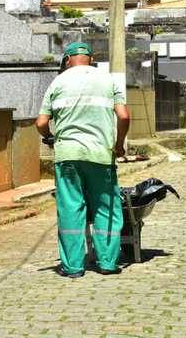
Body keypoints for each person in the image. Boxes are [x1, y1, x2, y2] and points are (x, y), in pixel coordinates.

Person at [36, 42, 130, 278]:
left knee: (70, 209)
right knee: (106, 207)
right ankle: (107, 263)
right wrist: (118, 145)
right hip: (101, 155)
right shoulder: (108, 80)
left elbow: (40, 123)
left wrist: (50, 136)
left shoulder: (57, 82)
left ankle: (73, 267)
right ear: (91, 58)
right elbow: (124, 115)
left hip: (67, 155)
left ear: (67, 60)